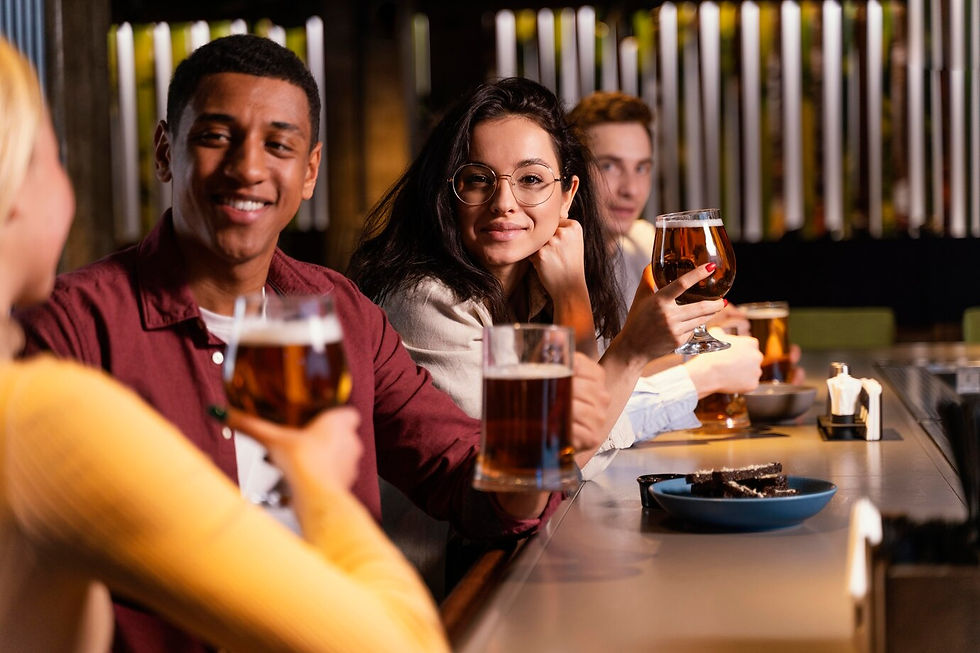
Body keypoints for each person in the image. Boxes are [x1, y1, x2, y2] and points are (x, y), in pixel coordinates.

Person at [16, 35, 609, 650]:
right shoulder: (71, 327)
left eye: (278, 145)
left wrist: (538, 437)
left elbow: (462, 479)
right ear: (166, 151)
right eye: (217, 136)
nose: (249, 167)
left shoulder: (339, 313)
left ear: (309, 171)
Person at [348, 77, 725, 451]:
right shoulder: (425, 302)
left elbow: (590, 448)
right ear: (447, 193)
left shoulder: (544, 283)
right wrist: (633, 350)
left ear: (567, 197)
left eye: (530, 179)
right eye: (479, 179)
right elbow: (534, 466)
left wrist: (571, 290)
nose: (504, 202)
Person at [569, 90, 803, 389]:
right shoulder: (549, 262)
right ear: (572, 173)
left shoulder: (647, 243)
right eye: (609, 166)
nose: (631, 188)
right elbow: (590, 395)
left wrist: (753, 356)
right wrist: (701, 364)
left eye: (642, 167)